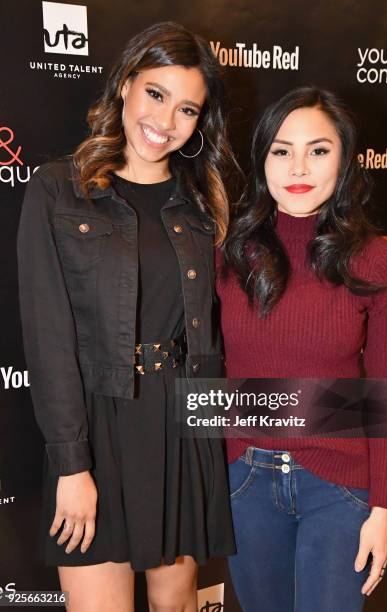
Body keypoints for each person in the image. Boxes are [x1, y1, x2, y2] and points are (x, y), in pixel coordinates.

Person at [17, 21, 238, 612]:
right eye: (156, 94)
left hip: (180, 425)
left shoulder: (198, 204)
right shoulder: (58, 191)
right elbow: (49, 337)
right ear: (125, 85)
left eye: (187, 109)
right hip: (97, 422)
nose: (166, 122)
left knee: (178, 604)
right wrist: (72, 465)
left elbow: (221, 333)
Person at [217, 87, 387, 612]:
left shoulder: (377, 261)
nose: (298, 166)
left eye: (318, 150)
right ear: (262, 160)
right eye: (281, 150)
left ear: (345, 159)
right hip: (245, 482)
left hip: (340, 487)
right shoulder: (227, 252)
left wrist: (382, 508)